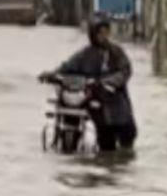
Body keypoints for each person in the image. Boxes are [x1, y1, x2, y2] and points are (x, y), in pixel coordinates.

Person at [41, 16, 137, 152]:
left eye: (105, 33)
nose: (103, 36)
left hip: (116, 101)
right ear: (93, 34)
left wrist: (108, 82)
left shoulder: (116, 52)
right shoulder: (85, 54)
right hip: (95, 100)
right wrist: (51, 74)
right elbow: (68, 67)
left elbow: (125, 71)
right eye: (100, 33)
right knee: (104, 140)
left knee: (126, 136)